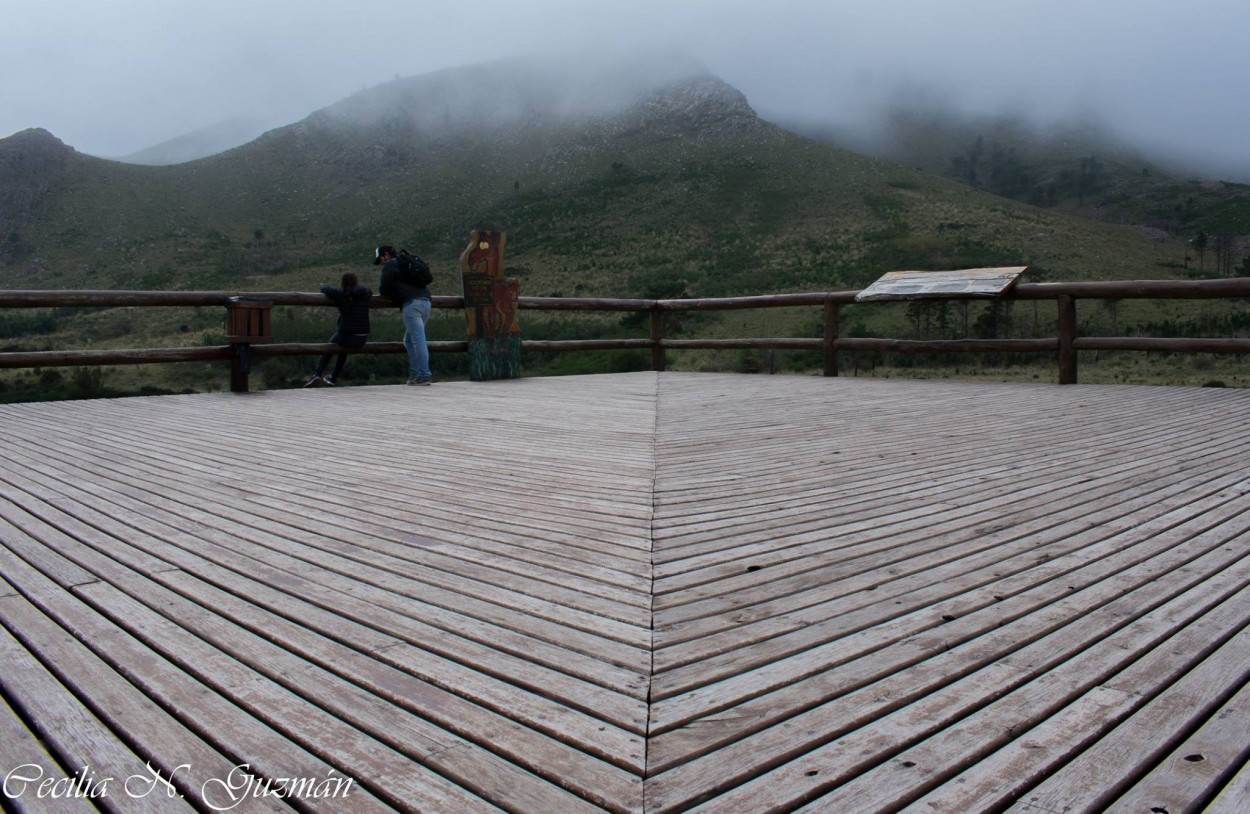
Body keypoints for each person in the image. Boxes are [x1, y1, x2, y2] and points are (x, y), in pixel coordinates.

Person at [375, 244, 433, 385]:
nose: (381, 262)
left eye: (381, 258)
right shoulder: (407, 262)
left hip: (411, 305)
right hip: (426, 302)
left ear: (386, 254)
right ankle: (415, 374)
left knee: (418, 340)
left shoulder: (391, 264)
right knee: (409, 340)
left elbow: (385, 287)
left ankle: (424, 374)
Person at [304, 272, 371, 387]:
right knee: (342, 349)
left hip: (347, 335)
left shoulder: (341, 294)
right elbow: (369, 291)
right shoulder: (365, 293)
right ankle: (332, 379)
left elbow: (325, 289)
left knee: (329, 347)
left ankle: (317, 374)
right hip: (363, 337)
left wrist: (325, 286)